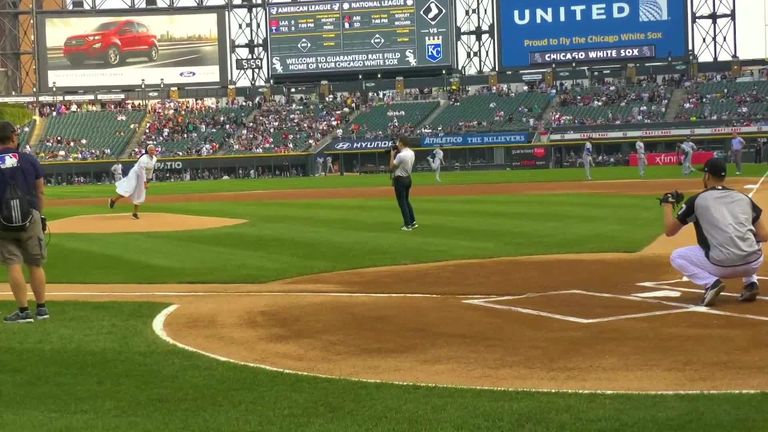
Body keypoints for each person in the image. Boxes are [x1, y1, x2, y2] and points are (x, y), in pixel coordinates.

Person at [664, 158, 765, 306]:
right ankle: (751, 283)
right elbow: (764, 235)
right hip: (753, 263)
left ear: (707, 176)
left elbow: (669, 231)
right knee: (749, 237)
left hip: (721, 266)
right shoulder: (744, 198)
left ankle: (710, 283)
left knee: (677, 256)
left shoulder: (696, 200)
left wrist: (667, 204)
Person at [0, 121, 48, 323]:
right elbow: (40, 191)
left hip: (2, 221)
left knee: (13, 263)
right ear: (13, 137)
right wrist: (40, 215)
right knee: (35, 264)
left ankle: (23, 312)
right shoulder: (29, 159)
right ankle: (41, 309)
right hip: (30, 217)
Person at [108, 145, 157, 220]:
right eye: (151, 150)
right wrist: (145, 183)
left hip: (142, 176)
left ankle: (135, 213)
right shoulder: (143, 159)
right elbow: (142, 172)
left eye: (153, 150)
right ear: (148, 151)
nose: (152, 151)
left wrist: (149, 179)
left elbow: (151, 170)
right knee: (128, 190)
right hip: (135, 174)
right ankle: (113, 200)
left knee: (140, 193)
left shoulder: (154, 159)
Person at [390, 136, 416, 231]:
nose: (397, 145)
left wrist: (392, 155)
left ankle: (407, 224)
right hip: (408, 178)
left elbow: (392, 167)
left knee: (402, 203)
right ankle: (412, 221)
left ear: (401, 143)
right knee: (406, 200)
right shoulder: (411, 152)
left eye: (398, 143)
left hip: (400, 179)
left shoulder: (401, 155)